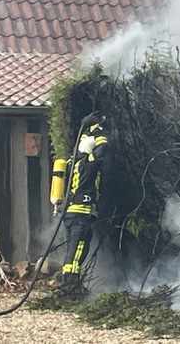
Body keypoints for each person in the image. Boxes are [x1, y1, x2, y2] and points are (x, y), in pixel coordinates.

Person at [59, 114, 109, 294]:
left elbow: (84, 144)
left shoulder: (72, 162)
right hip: (81, 214)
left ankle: (69, 284)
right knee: (78, 250)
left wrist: (86, 130)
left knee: (73, 249)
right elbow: (102, 148)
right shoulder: (87, 164)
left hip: (71, 213)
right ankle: (70, 286)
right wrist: (97, 129)